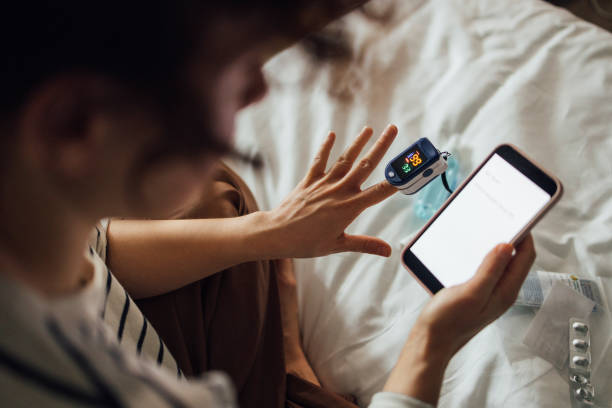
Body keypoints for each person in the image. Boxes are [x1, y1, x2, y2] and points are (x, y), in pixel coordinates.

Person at [0, 1, 536, 407]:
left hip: (132, 330)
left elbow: (101, 253)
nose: (259, 91)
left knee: (216, 189)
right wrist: (432, 341)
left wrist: (269, 232)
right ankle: (293, 383)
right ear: (72, 125)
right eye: (230, 68)